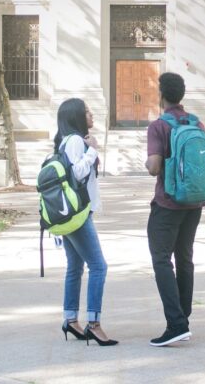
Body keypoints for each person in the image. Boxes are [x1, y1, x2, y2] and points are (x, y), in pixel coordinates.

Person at [144, 72, 205, 347]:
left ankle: (176, 323)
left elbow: (155, 167)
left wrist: (147, 163)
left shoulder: (159, 126)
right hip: (194, 202)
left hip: (168, 202)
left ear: (161, 95)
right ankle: (184, 318)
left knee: (161, 259)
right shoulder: (197, 123)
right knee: (185, 259)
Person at [54, 98, 118, 346]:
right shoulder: (74, 142)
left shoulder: (66, 141)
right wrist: (92, 150)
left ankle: (70, 319)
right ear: (76, 117)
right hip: (78, 213)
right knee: (99, 267)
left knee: (75, 267)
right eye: (87, 112)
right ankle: (94, 324)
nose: (91, 115)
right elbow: (76, 173)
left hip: (71, 212)